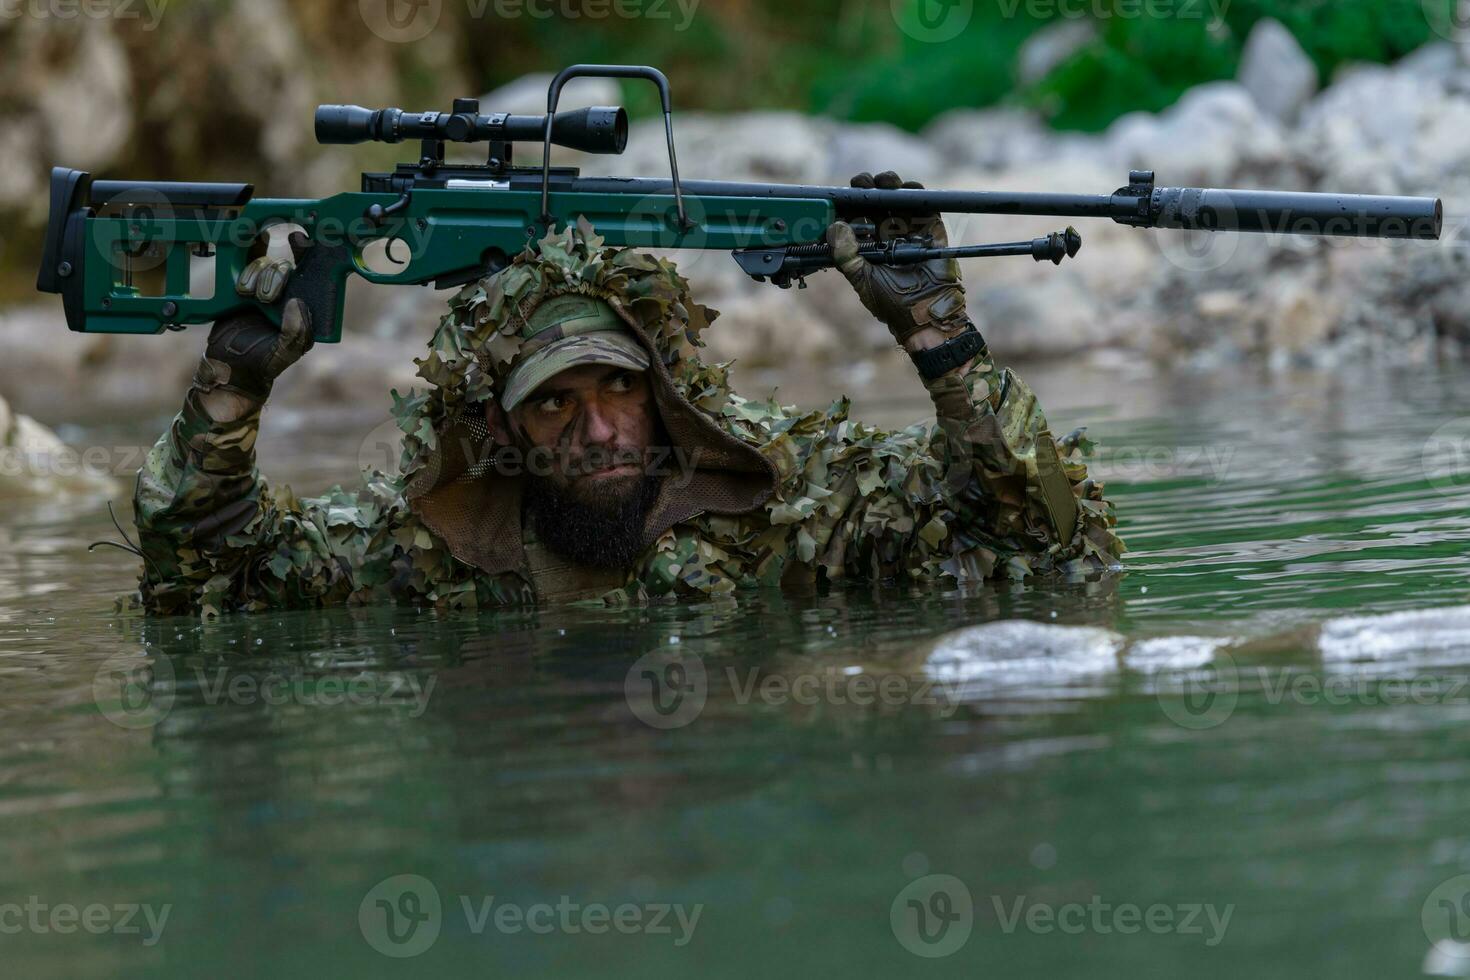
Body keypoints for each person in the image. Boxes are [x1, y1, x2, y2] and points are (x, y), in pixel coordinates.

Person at [133, 172, 1123, 616]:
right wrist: (229, 394)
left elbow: (1039, 541)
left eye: (618, 385)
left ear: (669, 397)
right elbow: (206, 579)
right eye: (556, 402)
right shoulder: (430, 548)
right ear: (504, 428)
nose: (599, 426)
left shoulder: (796, 509)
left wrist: (941, 341)